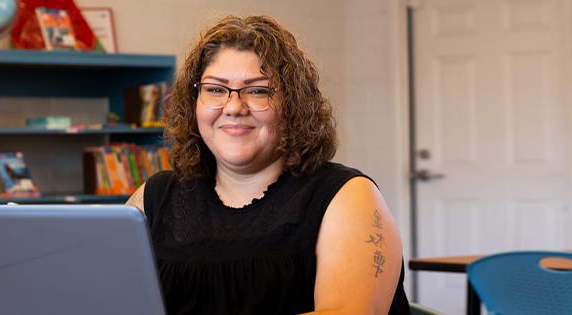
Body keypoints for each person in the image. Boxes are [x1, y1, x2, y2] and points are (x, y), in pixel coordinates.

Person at [126, 15, 410, 315]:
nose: (234, 107)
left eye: (258, 90)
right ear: (193, 102)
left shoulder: (348, 197)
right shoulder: (154, 198)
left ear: (293, 104)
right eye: (215, 89)